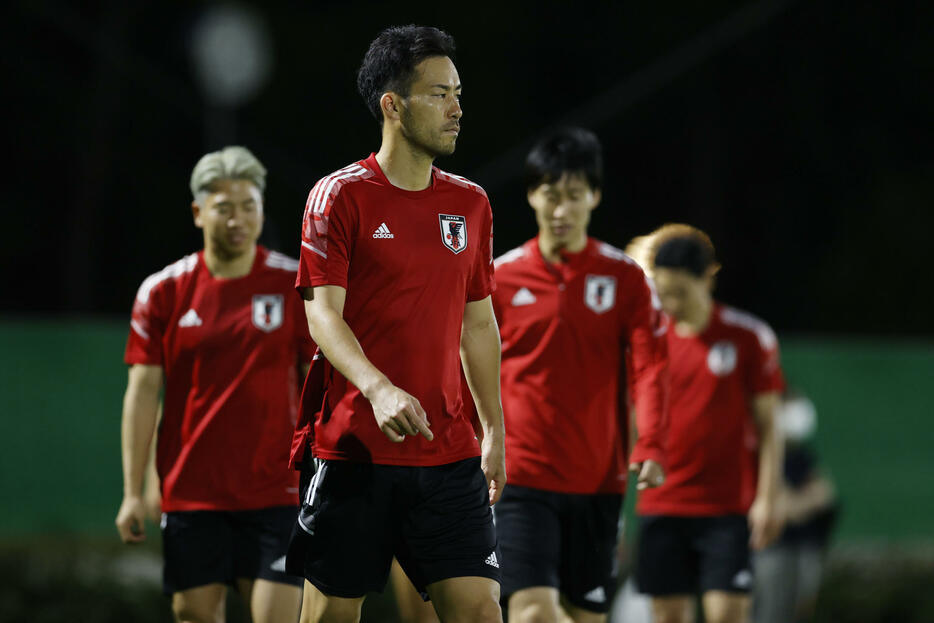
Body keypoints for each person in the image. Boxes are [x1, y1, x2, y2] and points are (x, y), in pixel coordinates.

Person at [284, 25, 505, 623]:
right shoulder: (339, 197)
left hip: (449, 455)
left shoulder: (471, 204)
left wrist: (494, 431)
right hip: (357, 454)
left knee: (482, 613)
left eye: (458, 93)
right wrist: (377, 388)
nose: (457, 108)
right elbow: (322, 315)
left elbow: (478, 325)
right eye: (439, 94)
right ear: (392, 104)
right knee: (330, 617)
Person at [115, 146, 313, 623]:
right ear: (199, 212)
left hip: (276, 494)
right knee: (195, 615)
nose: (238, 219)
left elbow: (317, 385)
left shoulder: (294, 285)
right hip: (192, 494)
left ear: (262, 211)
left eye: (249, 207)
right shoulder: (162, 291)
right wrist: (133, 491)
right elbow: (143, 394)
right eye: (224, 209)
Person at [491, 127, 669, 623]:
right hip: (520, 479)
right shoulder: (499, 279)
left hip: (598, 483)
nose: (561, 210)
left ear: (595, 196)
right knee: (531, 613)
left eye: (574, 196)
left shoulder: (626, 279)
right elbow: (466, 369)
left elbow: (650, 365)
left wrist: (651, 442)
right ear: (532, 195)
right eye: (551, 195)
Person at [626, 224, 786, 623]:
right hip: (662, 504)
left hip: (726, 509)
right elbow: (633, 419)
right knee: (667, 617)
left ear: (707, 278)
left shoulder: (748, 337)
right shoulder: (648, 339)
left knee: (728, 614)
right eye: (663, 292)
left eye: (680, 291)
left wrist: (768, 498)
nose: (671, 302)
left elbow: (770, 426)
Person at [753, 391, 838, 623]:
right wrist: (802, 503)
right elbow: (783, 506)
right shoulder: (762, 455)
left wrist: (797, 505)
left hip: (804, 549)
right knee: (769, 614)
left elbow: (825, 494)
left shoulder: (803, 456)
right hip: (771, 550)